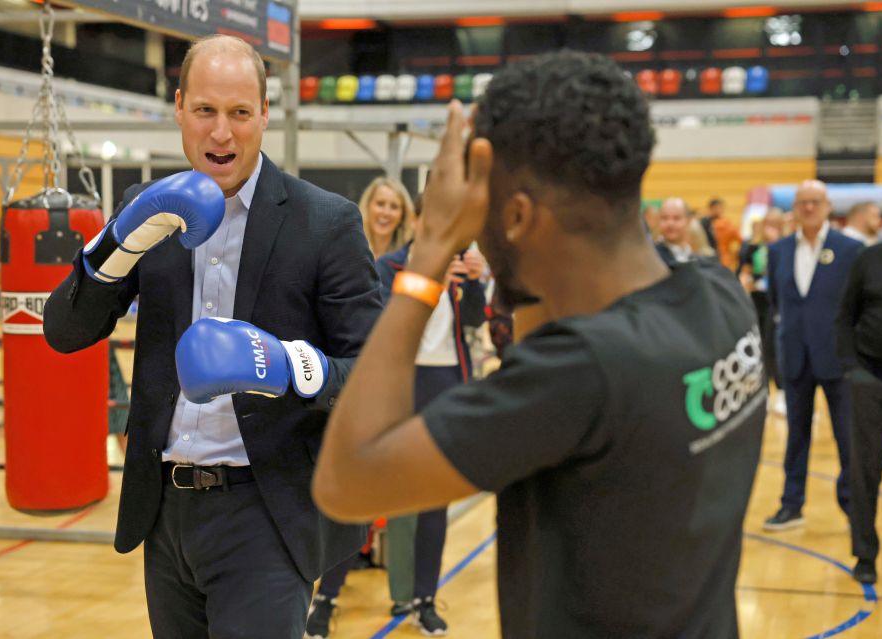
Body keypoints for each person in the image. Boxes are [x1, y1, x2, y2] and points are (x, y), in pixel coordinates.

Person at [310, 51, 765, 638]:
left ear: (519, 215)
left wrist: (429, 251)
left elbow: (346, 481)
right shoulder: (719, 294)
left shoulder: (580, 374)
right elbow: (545, 327)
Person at [43, 35, 382, 639]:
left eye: (239, 113)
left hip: (264, 512)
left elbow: (377, 375)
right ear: (178, 107)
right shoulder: (148, 211)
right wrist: (113, 247)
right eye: (205, 111)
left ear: (265, 115)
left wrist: (285, 365)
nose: (221, 133)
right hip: (164, 510)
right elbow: (65, 333)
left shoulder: (324, 222)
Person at [305, 194, 489, 638]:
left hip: (445, 384)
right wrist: (427, 281)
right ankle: (326, 598)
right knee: (365, 496)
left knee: (433, 501)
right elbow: (379, 325)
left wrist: (475, 284)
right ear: (418, 220)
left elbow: (475, 319)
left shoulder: (463, 268)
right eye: (435, 217)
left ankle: (423, 599)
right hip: (399, 386)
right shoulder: (389, 267)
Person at [762, 180, 863, 532]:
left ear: (826, 206)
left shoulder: (849, 249)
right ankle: (791, 506)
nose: (808, 208)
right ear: (794, 208)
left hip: (837, 359)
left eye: (814, 202)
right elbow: (777, 303)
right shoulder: (778, 251)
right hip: (795, 357)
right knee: (796, 436)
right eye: (802, 202)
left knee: (847, 438)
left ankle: (854, 508)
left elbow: (858, 304)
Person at [836, 233, 882, 584]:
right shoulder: (869, 259)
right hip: (872, 381)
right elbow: (844, 316)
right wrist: (852, 371)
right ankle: (865, 555)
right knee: (865, 472)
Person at [738, 210, 785, 414]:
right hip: (757, 303)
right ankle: (762, 392)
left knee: (778, 349)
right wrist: (748, 283)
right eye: (768, 223)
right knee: (760, 348)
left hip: (779, 304)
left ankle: (782, 393)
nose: (770, 227)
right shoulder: (752, 247)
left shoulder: (786, 247)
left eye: (775, 224)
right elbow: (744, 272)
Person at [359, 176, 415, 259]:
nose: (386, 212)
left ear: (403, 215)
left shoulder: (410, 256)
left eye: (394, 207)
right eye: (380, 204)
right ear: (367, 206)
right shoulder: (351, 250)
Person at [654, 197, 696, 264]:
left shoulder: (696, 258)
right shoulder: (652, 257)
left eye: (676, 218)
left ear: (688, 221)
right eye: (664, 218)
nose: (670, 223)